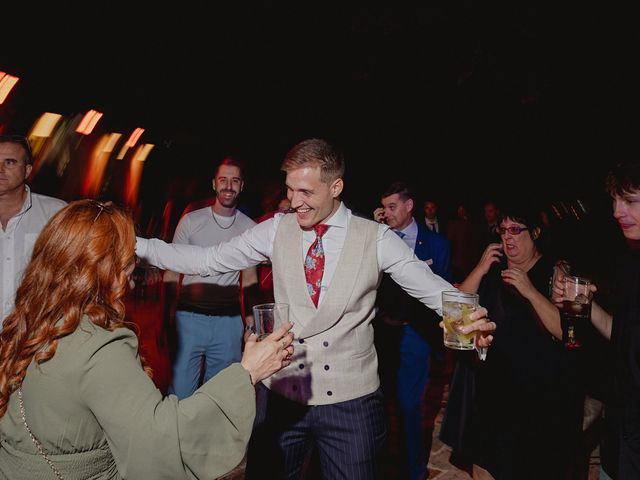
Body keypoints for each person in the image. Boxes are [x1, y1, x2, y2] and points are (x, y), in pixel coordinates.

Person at [136, 138, 495, 480]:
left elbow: (431, 289)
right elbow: (207, 260)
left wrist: (471, 322)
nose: (295, 202)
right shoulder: (276, 230)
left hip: (351, 403)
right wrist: (135, 244)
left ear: (336, 187)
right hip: (284, 397)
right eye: (290, 191)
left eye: (306, 192)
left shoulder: (375, 237)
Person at [0, 199, 294, 479]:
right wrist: (247, 373)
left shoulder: (33, 319)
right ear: (101, 270)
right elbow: (159, 442)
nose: (130, 283)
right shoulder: (99, 344)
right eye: (127, 269)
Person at [441, 203, 584, 480]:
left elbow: (568, 333)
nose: (507, 237)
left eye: (516, 230)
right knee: (484, 467)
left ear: (536, 232)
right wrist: (480, 268)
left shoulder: (554, 273)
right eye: (503, 230)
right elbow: (454, 315)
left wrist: (530, 291)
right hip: (492, 392)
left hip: (538, 400)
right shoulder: (494, 272)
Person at [551, 159, 640, 480]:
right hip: (619, 444)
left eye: (630, 201)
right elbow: (623, 338)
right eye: (615, 200)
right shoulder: (630, 264)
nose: (617, 211)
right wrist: (587, 307)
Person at [373, 181, 453, 480]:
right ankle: (379, 464)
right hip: (381, 332)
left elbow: (442, 289)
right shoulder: (377, 239)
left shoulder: (437, 244)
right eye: (384, 207)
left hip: (415, 335)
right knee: (377, 402)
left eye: (393, 207)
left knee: (409, 405)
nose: (387, 212)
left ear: (409, 206)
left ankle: (413, 470)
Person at [162, 156, 257, 399]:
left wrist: (249, 325)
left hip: (228, 323)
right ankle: (179, 438)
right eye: (223, 180)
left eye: (235, 180)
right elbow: (172, 273)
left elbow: (249, 281)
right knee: (181, 395)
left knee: (219, 397)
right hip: (189, 320)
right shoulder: (192, 221)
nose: (228, 185)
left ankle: (209, 438)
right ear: (214, 184)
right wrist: (166, 319)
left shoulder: (249, 228)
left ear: (242, 186)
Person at [0, 134, 66, 325]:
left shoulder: (55, 213)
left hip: (35, 336)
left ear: (27, 170)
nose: (0, 169)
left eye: (10, 162)